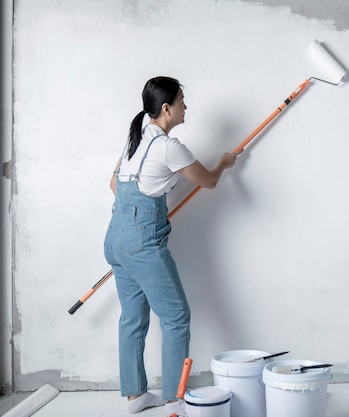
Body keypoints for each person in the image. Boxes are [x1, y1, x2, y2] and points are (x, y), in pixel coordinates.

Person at [104, 76, 238, 414]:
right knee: (177, 317)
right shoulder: (168, 146)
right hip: (142, 243)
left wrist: (140, 209)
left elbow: (113, 184)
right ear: (167, 108)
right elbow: (207, 182)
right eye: (181, 100)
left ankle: (135, 396)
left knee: (132, 318)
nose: (185, 106)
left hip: (115, 238)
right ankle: (175, 397)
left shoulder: (132, 141)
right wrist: (222, 164)